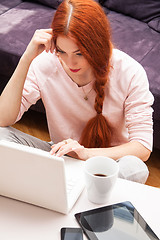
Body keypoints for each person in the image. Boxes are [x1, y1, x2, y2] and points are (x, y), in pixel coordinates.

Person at [0, 0, 154, 183]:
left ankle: (64, 186)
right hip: (61, 155)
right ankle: (71, 188)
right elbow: (3, 119)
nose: (70, 63)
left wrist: (85, 154)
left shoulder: (130, 72)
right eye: (62, 51)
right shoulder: (45, 63)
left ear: (98, 45)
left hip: (109, 162)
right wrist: (27, 58)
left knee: (135, 168)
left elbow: (142, 147)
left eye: (79, 53)